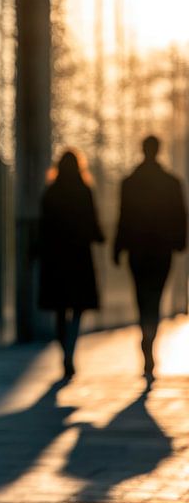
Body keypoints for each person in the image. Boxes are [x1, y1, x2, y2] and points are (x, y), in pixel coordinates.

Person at [114, 135, 187, 382]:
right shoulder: (171, 183)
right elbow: (180, 215)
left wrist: (118, 247)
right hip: (161, 250)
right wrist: (180, 243)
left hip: (138, 250)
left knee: (142, 297)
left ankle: (147, 341)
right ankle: (149, 341)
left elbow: (123, 217)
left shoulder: (130, 183)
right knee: (154, 297)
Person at [39, 150, 104, 379]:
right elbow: (92, 221)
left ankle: (64, 351)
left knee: (59, 309)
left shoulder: (51, 192)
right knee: (77, 308)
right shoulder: (84, 191)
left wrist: (35, 252)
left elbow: (43, 226)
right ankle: (70, 351)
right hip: (78, 258)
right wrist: (99, 236)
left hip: (56, 259)